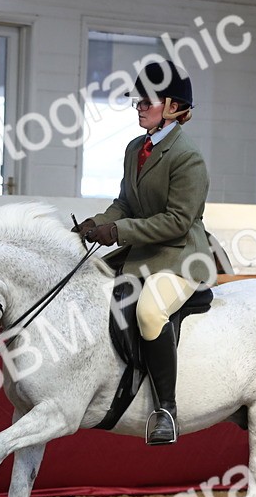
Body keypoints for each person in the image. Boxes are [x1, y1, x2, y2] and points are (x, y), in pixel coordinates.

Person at [75, 61, 216, 446]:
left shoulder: (188, 157)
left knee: (150, 311)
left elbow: (176, 221)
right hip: (142, 253)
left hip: (181, 256)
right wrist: (96, 223)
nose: (138, 106)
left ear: (172, 107)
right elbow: (124, 203)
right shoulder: (136, 148)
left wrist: (117, 231)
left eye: (146, 101)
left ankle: (166, 409)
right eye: (137, 100)